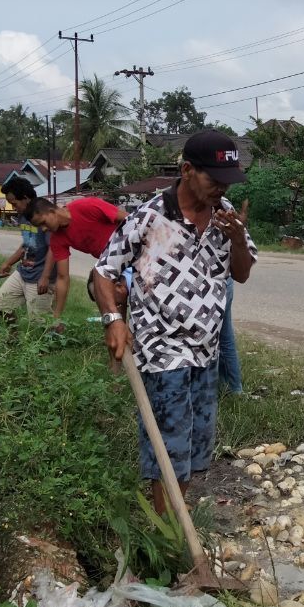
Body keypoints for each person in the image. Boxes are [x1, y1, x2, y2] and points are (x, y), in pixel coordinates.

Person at [94, 130, 256, 515]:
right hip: (160, 346)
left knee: (197, 443)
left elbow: (243, 273)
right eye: (214, 180)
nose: (221, 189)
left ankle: (177, 518)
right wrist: (113, 320)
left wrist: (235, 240)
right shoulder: (149, 217)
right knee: (169, 441)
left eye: (227, 181)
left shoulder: (225, 215)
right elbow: (104, 271)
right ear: (187, 170)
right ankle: (168, 529)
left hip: (206, 348)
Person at [28, 195, 128, 326]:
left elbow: (130, 219)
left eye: (43, 223)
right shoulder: (57, 238)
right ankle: (119, 330)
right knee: (96, 287)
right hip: (111, 267)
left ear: (52, 212)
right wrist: (56, 316)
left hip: (135, 253)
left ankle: (128, 330)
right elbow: (62, 277)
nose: (44, 229)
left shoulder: (86, 206)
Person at [0, 176, 54, 324]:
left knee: (40, 323)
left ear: (25, 198)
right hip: (23, 272)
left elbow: (55, 248)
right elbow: (27, 243)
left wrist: (45, 277)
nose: (13, 208)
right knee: (1, 305)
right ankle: (13, 338)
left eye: (14, 203)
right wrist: (8, 263)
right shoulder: (23, 216)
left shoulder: (45, 215)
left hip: (40, 277)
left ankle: (60, 338)